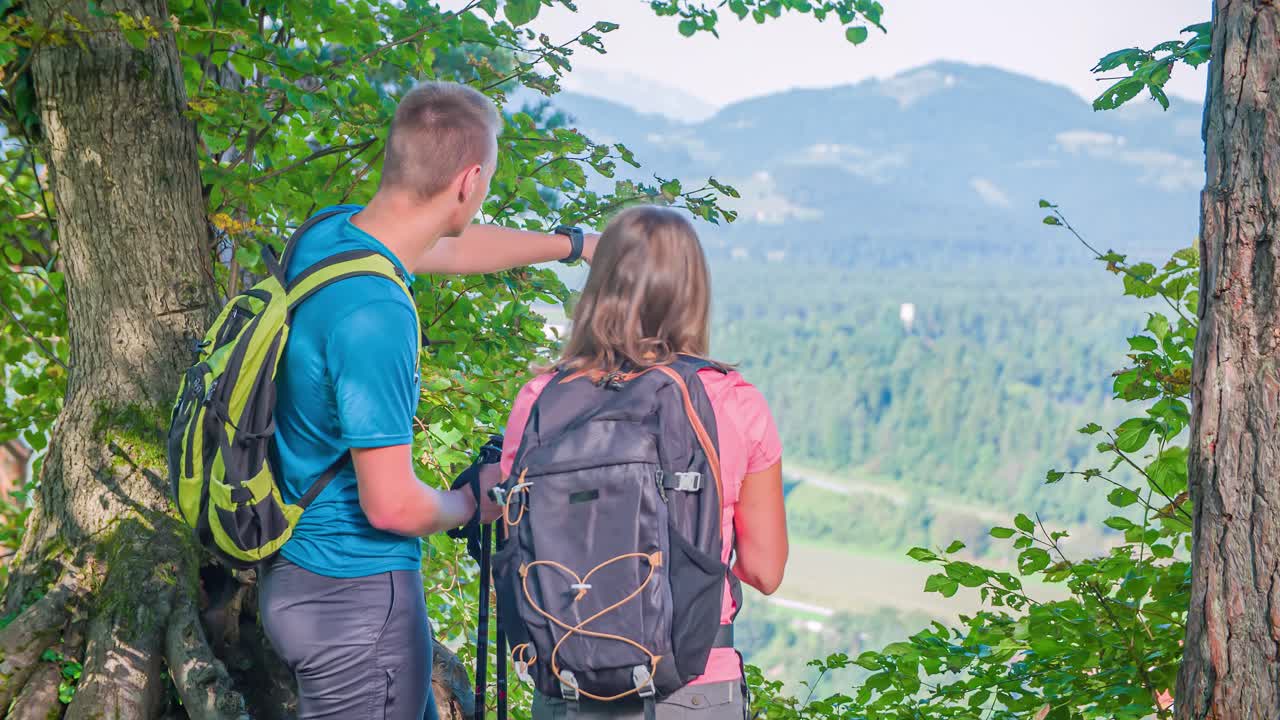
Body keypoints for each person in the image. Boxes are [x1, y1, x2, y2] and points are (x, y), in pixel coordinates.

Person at [257, 80, 598, 720]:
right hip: (357, 600)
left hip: (296, 570)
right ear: (469, 181)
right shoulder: (377, 314)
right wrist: (475, 500)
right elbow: (391, 505)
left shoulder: (330, 238)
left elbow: (447, 243)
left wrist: (574, 247)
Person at [498, 205, 790, 719]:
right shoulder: (731, 400)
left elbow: (518, 536)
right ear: (692, 293)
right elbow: (765, 571)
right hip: (693, 686)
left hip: (567, 687)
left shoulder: (541, 397)